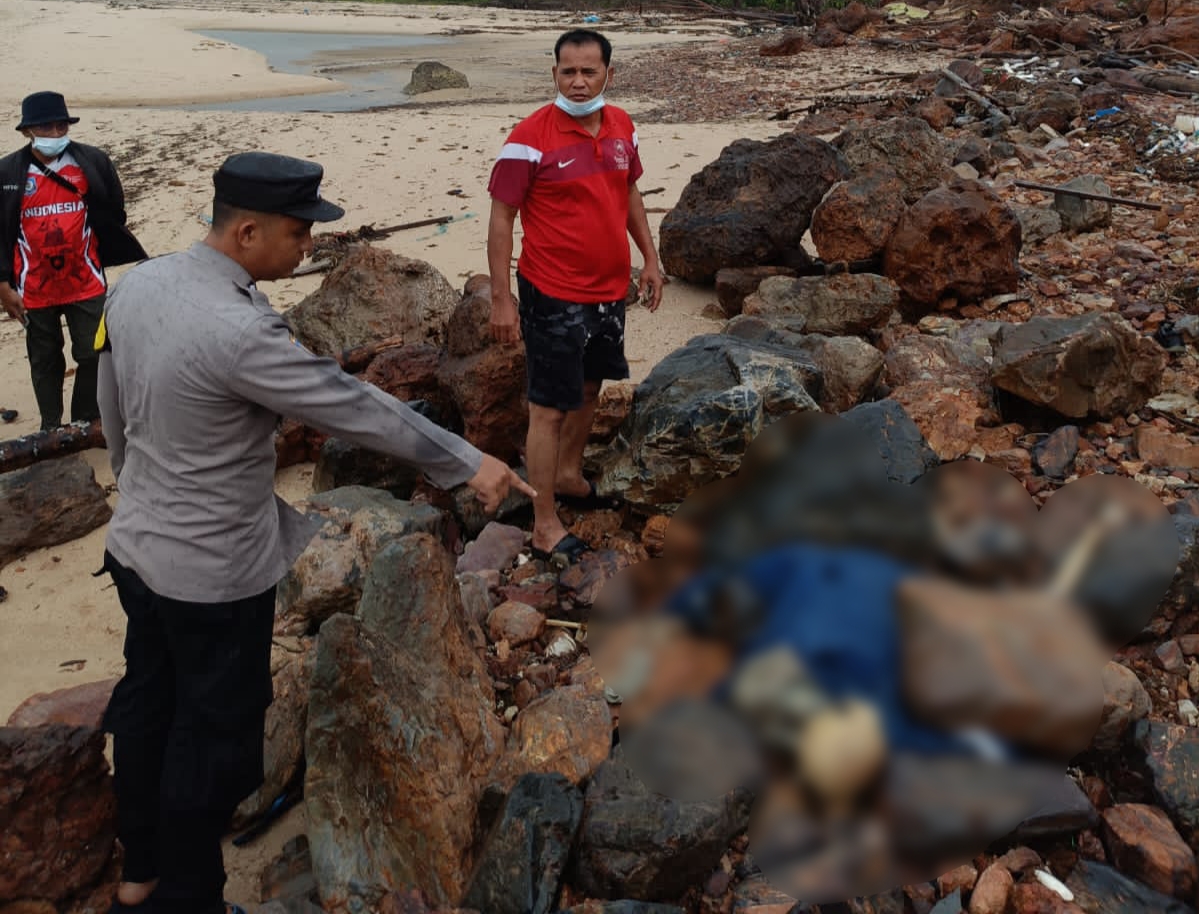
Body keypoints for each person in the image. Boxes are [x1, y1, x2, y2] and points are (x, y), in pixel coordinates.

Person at [96, 151, 534, 914]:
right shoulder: (239, 330)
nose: (307, 250)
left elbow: (111, 407)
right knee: (216, 737)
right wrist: (469, 461)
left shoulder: (140, 286)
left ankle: (140, 868)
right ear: (246, 230)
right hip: (212, 568)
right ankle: (188, 896)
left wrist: (136, 487)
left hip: (136, 544)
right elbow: (348, 405)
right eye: (299, 234)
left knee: (146, 701)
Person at [487, 28, 665, 568]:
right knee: (547, 407)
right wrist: (502, 298)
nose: (579, 81)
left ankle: (568, 474)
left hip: (610, 291)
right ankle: (544, 524)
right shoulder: (529, 137)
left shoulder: (622, 126)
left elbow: (628, 192)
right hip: (553, 292)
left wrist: (651, 259)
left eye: (590, 71)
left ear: (608, 73)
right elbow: (501, 218)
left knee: (589, 386)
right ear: (555, 74)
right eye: (569, 72)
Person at [0, 91, 144, 430]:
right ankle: (50, 426)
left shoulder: (92, 162)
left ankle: (83, 420)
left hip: (87, 281)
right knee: (44, 359)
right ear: (27, 131)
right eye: (45, 127)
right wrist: (3, 284)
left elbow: (114, 209)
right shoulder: (7, 172)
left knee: (94, 354)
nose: (54, 134)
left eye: (60, 125)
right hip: (32, 288)